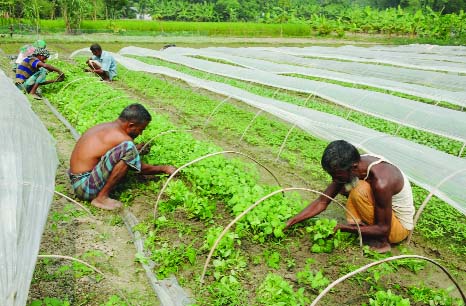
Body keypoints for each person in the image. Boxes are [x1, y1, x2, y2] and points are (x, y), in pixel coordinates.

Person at [285, 140, 415, 253]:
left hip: (396, 228)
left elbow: (383, 228)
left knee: (359, 189)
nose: (333, 179)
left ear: (353, 167)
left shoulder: (382, 181)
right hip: (385, 215)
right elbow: (322, 201)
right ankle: (363, 227)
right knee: (347, 186)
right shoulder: (353, 164)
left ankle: (381, 243)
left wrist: (342, 228)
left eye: (336, 175)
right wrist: (292, 220)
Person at [68, 103, 176, 210]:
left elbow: (108, 151)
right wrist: (164, 168)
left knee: (128, 149)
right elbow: (139, 168)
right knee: (128, 148)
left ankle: (100, 195)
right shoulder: (124, 139)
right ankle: (101, 198)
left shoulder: (104, 127)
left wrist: (137, 149)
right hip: (85, 188)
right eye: (141, 129)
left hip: (76, 180)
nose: (141, 133)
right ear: (131, 125)